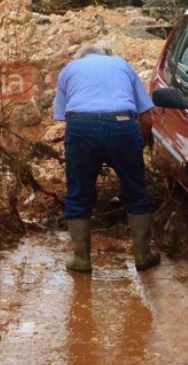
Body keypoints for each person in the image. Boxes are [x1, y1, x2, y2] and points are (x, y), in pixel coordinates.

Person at [52, 43, 160, 274]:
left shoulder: (69, 70)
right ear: (106, 55)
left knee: (78, 193)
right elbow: (148, 120)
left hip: (81, 127)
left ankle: (81, 259)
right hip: (122, 123)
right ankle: (143, 255)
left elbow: (64, 117)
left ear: (81, 57)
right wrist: (136, 146)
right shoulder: (122, 65)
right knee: (136, 190)